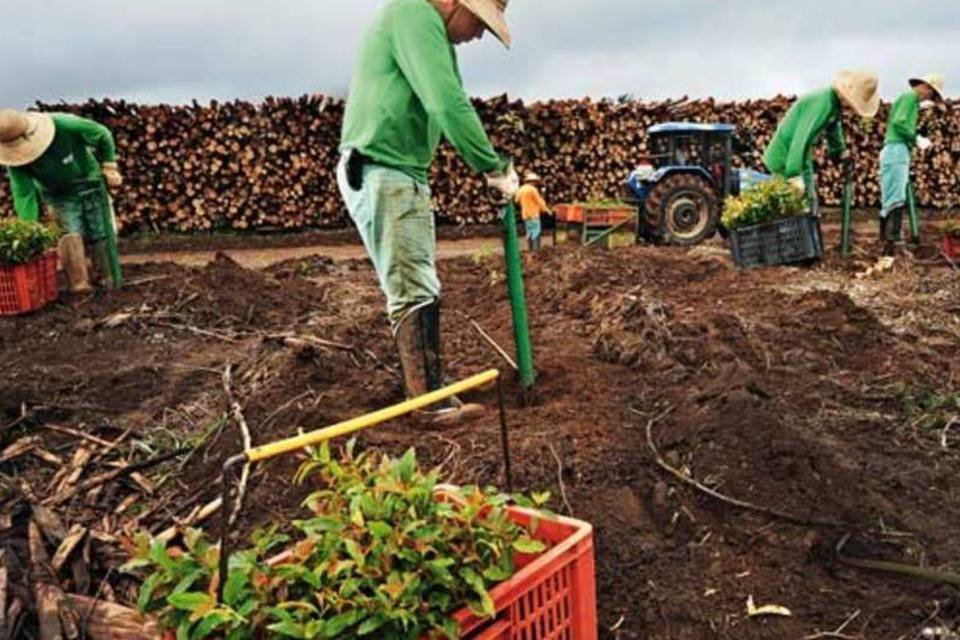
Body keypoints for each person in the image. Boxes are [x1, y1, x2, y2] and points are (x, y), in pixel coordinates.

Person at [337, 0, 517, 424]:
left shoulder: (429, 29)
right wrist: (493, 168)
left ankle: (431, 383)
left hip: (400, 169)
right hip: (382, 167)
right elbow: (447, 103)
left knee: (420, 281)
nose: (477, 35)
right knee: (413, 287)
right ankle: (425, 405)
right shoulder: (414, 14)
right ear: (457, 4)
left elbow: (446, 102)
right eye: (480, 23)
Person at [0, 109, 123, 292]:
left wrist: (109, 164)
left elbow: (102, 134)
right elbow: (24, 195)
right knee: (70, 234)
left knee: (101, 231)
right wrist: (29, 230)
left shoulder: (64, 124)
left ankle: (108, 277)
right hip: (58, 195)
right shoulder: (16, 161)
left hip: (90, 182)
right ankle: (79, 284)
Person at [763, 71, 880, 214]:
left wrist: (840, 152)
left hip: (802, 156)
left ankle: (811, 233)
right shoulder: (821, 104)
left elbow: (833, 130)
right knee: (791, 208)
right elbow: (800, 138)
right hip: (784, 158)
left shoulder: (834, 105)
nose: (851, 108)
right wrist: (794, 176)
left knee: (810, 203)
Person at [879, 74, 945, 254]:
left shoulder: (909, 100)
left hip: (894, 150)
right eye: (930, 95)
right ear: (927, 87)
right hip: (896, 149)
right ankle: (892, 247)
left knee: (890, 195)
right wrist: (916, 138)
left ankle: (888, 243)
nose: (928, 98)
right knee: (896, 197)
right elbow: (899, 122)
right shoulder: (909, 98)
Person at [516, 172, 551, 251]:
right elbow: (539, 202)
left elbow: (517, 200)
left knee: (529, 233)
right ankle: (535, 251)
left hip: (525, 214)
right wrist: (547, 210)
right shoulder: (533, 190)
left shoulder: (521, 189)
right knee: (536, 232)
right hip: (533, 214)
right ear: (532, 181)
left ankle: (529, 249)